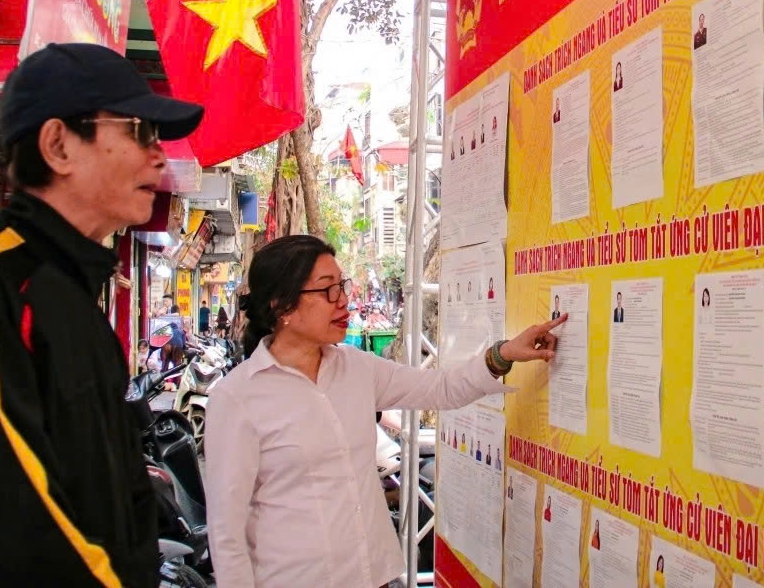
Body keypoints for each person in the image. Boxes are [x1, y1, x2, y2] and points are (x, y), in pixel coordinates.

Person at [0, 41, 204, 586]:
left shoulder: (73, 295)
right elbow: (12, 516)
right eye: (139, 132)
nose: (159, 156)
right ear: (59, 145)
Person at [204, 235, 567, 588]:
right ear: (282, 305)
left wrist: (503, 354)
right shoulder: (238, 398)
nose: (343, 301)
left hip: (371, 575)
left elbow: (441, 388)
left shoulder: (357, 368)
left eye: (343, 286)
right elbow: (227, 532)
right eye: (327, 290)